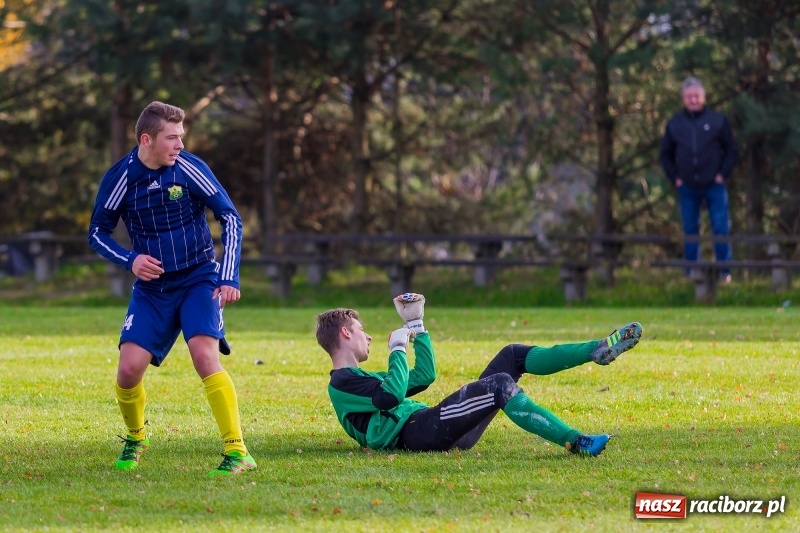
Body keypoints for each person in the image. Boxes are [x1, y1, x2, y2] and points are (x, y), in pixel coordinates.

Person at [88, 101, 256, 476]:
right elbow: (97, 233)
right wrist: (130, 260)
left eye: (182, 136)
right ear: (146, 139)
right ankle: (136, 438)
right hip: (153, 289)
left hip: (199, 278)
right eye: (172, 137)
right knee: (129, 370)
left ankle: (237, 451)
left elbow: (230, 217)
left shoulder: (189, 168)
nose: (180, 144)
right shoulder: (121, 177)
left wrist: (228, 275)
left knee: (203, 356)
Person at [316, 293, 643, 455]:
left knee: (512, 355)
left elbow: (424, 377)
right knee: (500, 384)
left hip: (432, 425)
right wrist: (398, 349)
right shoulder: (341, 383)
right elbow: (390, 395)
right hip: (420, 433)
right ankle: (576, 441)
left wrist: (417, 326)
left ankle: (596, 349)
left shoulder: (360, 379)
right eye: (361, 330)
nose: (368, 336)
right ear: (345, 334)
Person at [659, 76, 739, 281]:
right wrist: (675, 178)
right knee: (690, 229)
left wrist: (722, 174)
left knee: (720, 228)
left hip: (714, 184)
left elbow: (731, 149)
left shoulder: (717, 120)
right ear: (683, 99)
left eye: (696, 96)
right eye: (689, 96)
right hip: (687, 186)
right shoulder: (675, 124)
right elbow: (665, 154)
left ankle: (725, 272)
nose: (693, 100)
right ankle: (691, 273)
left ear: (703, 97)